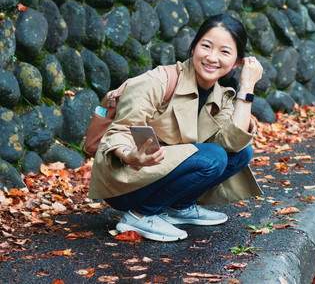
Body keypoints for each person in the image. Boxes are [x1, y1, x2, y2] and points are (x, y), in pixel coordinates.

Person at [88, 13, 264, 242]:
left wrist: (247, 86)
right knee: (213, 156)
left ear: (237, 62)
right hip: (127, 182)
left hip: (162, 175)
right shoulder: (158, 81)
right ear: (193, 47)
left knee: (241, 153)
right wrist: (132, 155)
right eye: (206, 46)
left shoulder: (220, 96)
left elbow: (233, 142)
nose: (212, 57)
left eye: (224, 51)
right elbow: (120, 131)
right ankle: (140, 215)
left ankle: (178, 207)